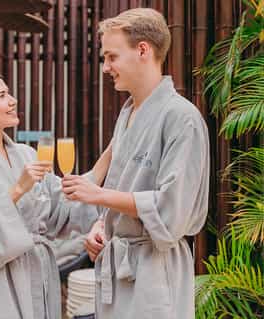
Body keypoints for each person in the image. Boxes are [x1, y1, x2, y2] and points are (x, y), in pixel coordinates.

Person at [61, 8, 210, 319]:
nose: (106, 67)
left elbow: (171, 211)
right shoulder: (127, 115)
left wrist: (97, 195)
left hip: (156, 271)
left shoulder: (182, 119)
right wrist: (101, 225)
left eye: (112, 57)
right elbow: (121, 190)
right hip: (119, 266)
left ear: (143, 50)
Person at [0, 72, 97, 319]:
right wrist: (17, 190)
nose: (13, 101)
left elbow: (59, 208)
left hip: (38, 272)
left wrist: (107, 163)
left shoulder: (26, 154)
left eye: (9, 93)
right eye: (2, 96)